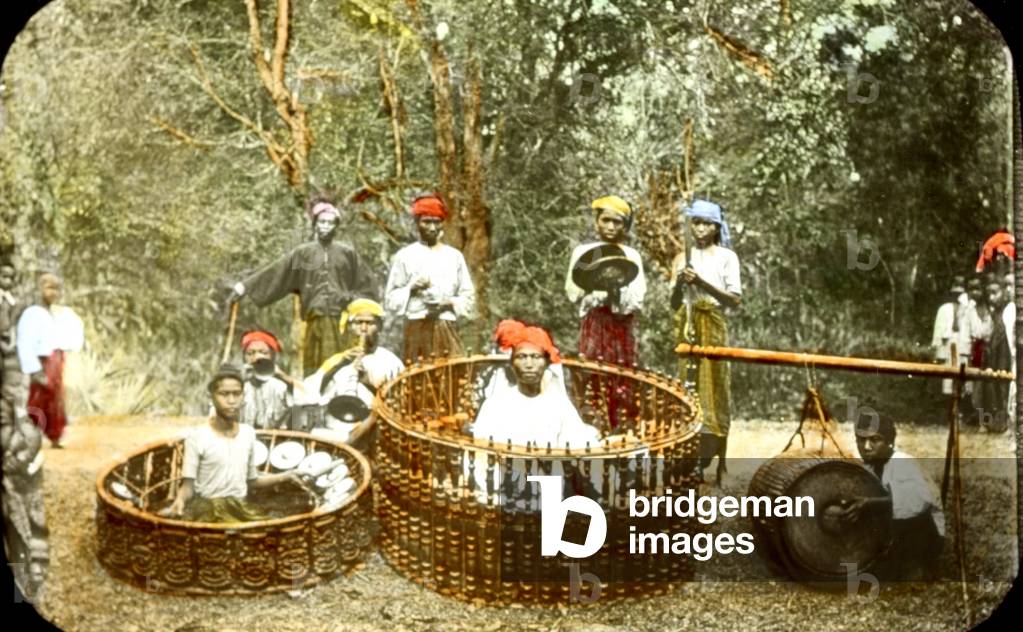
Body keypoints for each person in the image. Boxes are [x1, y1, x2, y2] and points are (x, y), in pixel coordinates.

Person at [228, 197, 375, 376]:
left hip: (342, 322)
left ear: (336, 226)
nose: (326, 226)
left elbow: (367, 287)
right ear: (315, 224)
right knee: (315, 371)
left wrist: (353, 302)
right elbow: (276, 271)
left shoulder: (348, 254)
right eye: (322, 222)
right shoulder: (302, 253)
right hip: (313, 322)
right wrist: (244, 287)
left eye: (330, 223)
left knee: (342, 369)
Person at [163, 364, 310, 523]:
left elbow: (252, 481)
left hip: (240, 507)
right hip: (208, 508)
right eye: (224, 394)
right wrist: (180, 501)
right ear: (211, 396)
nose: (231, 401)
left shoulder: (248, 434)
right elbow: (188, 486)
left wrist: (287, 475)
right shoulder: (198, 437)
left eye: (236, 394)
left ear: (243, 396)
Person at [670, 199, 741, 484]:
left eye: (707, 223)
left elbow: (734, 300)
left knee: (717, 390)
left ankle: (721, 460)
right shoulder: (681, 258)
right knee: (690, 390)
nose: (700, 229)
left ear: (717, 227)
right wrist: (680, 282)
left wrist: (700, 283)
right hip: (688, 326)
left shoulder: (726, 257)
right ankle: (692, 461)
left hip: (713, 325)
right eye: (696, 223)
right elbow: (674, 302)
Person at [564, 195, 646, 428]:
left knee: (622, 375)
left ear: (625, 226)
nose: (610, 227)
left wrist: (617, 294)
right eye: (605, 220)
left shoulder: (631, 256)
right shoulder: (584, 252)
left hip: (621, 324)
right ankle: (591, 427)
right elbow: (572, 291)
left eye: (617, 222)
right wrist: (594, 288)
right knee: (591, 373)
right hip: (594, 323)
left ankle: (620, 427)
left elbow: (638, 296)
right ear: (596, 222)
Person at [840, 413, 945, 581]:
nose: (866, 446)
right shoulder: (865, 468)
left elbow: (916, 503)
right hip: (889, 531)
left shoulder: (903, 463)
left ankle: (917, 565)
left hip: (920, 532)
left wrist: (870, 504)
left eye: (875, 440)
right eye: (861, 440)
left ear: (890, 442)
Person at [384, 194, 476, 363]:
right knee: (418, 380)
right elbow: (391, 300)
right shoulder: (405, 256)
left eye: (437, 222)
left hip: (446, 327)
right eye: (427, 222)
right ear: (417, 222)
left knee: (449, 378)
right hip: (416, 329)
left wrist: (448, 303)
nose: (432, 228)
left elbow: (468, 298)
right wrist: (411, 288)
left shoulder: (454, 256)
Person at [302, 298, 404, 444]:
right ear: (350, 327)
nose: (363, 328)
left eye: (369, 323)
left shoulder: (390, 361)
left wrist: (367, 382)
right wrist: (343, 363)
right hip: (335, 430)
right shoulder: (336, 360)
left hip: (372, 429)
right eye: (358, 323)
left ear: (380, 327)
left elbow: (399, 403)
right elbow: (310, 393)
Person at [16, 273, 84, 448]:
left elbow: (65, 336)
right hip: (41, 362)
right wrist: (35, 369)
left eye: (56, 289)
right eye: (49, 288)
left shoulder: (58, 313)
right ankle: (29, 437)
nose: (53, 293)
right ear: (40, 289)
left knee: (56, 400)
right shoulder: (31, 313)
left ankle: (55, 435)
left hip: (56, 360)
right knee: (38, 398)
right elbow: (25, 342)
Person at [975, 275, 1011, 433]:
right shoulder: (987, 311)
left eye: (995, 293)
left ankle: (1003, 422)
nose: (991, 297)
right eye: (989, 293)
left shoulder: (1008, 310)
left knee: (1002, 385)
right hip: (989, 352)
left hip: (1003, 353)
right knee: (986, 388)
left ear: (1002, 292)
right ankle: (986, 422)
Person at [238, 329, 294, 429]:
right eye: (250, 353)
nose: (256, 358)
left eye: (263, 352)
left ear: (272, 356)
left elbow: (309, 397)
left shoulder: (280, 387)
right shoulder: (239, 386)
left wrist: (282, 375)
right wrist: (238, 379)